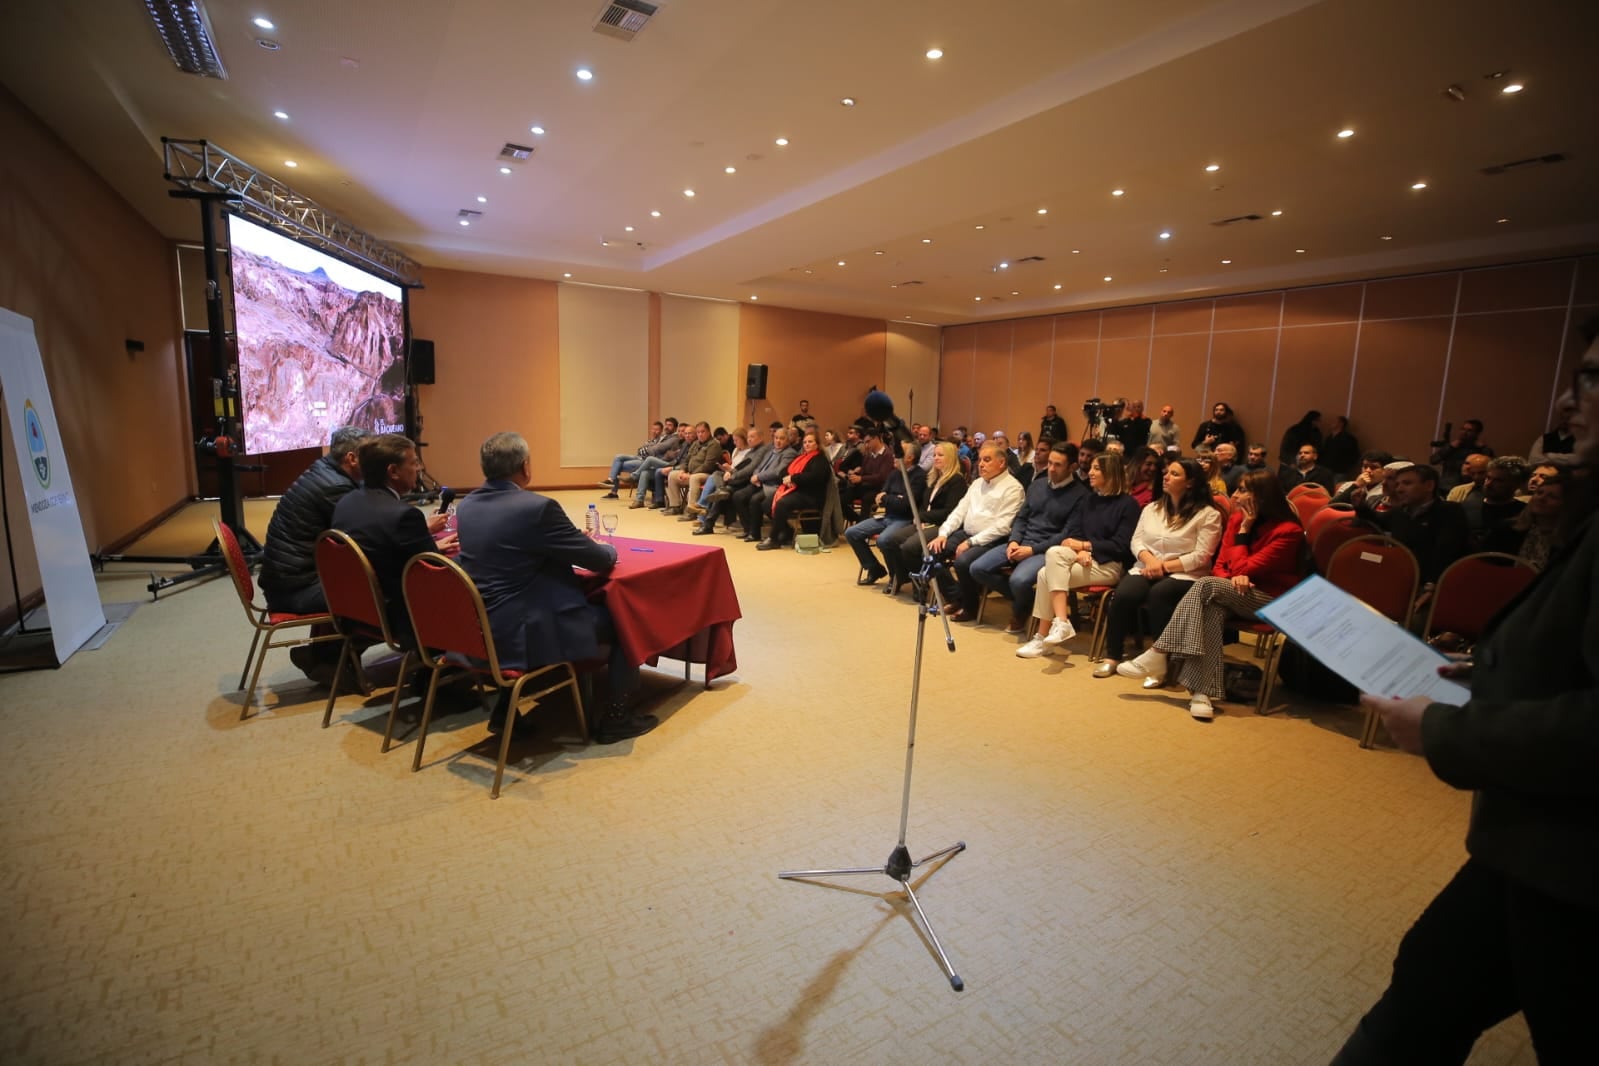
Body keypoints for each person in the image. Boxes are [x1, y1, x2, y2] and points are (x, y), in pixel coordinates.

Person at [1331, 319, 1599, 1065]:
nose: (1565, 400)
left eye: (1591, 379)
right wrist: (1482, 677)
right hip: (1532, 843)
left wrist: (1446, 729)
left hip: (1574, 865)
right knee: (1421, 997)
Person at [457, 432, 656, 743]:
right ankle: (617, 717)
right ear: (525, 466)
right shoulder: (537, 508)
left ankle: (505, 709)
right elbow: (598, 561)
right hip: (525, 629)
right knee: (624, 617)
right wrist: (607, 548)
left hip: (479, 626)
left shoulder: (467, 504)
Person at [1115, 469, 1304, 720]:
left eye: (1243, 490)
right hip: (1230, 592)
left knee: (1206, 586)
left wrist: (1245, 533)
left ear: (1262, 496)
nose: (1235, 495)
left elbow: (1242, 568)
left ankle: (1159, 652)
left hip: (1270, 599)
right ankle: (1202, 694)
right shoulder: (1236, 520)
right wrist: (1230, 579)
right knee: (1211, 606)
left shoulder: (1287, 531)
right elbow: (1220, 566)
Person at [258, 426, 372, 682]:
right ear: (352, 458)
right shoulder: (335, 488)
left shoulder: (323, 471)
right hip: (296, 590)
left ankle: (323, 656)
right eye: (371, 454)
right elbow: (367, 537)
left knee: (359, 578)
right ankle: (331, 658)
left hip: (288, 580)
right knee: (381, 591)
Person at [1093, 459, 1224, 678]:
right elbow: (1136, 542)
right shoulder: (1152, 508)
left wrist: (1163, 566)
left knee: (1159, 595)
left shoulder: (1208, 514)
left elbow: (1201, 556)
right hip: (1147, 567)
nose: (1165, 477)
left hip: (1185, 573)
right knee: (1124, 594)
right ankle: (1113, 656)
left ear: (1190, 482)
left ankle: (1159, 661)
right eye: (1166, 473)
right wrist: (1151, 561)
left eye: (1174, 474)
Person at [330, 434, 456, 640]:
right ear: (393, 471)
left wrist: (429, 545)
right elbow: (436, 577)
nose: (419, 469)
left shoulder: (347, 502)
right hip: (403, 618)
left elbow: (388, 549)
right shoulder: (404, 516)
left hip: (356, 609)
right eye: (414, 463)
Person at [1015, 452, 1140, 658]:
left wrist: (1086, 547)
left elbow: (1121, 546)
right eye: (1091, 468)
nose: (1089, 472)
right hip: (1082, 560)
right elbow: (1076, 532)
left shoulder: (1128, 505)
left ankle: (1045, 635)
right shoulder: (1090, 500)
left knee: (1046, 574)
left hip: (1110, 565)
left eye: (1096, 469)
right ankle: (1058, 625)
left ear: (1111, 473)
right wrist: (1080, 550)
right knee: (1050, 564)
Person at [971, 442, 1087, 634]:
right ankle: (1030, 600)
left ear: (1072, 467)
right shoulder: (1038, 484)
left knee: (1018, 581)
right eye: (1050, 463)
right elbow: (1021, 517)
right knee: (978, 568)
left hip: (1046, 549)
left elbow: (1066, 535)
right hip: (1022, 541)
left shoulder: (1081, 495)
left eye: (1058, 465)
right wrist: (1014, 541)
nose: (1051, 468)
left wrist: (1032, 550)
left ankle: (1021, 610)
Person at [921, 442, 1024, 620]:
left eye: (987, 460)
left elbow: (1002, 526)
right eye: (981, 460)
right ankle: (957, 596)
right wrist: (943, 534)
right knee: (931, 552)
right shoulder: (977, 483)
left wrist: (970, 543)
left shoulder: (1013, 488)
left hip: (992, 539)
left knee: (963, 562)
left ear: (1001, 463)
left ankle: (970, 607)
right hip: (967, 533)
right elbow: (959, 512)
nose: (981, 464)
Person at [882, 440, 966, 595]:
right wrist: (921, 518)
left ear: (951, 458)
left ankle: (920, 583)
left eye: (941, 455)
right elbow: (923, 504)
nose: (936, 458)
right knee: (891, 540)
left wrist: (921, 517)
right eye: (934, 455)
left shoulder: (957, 481)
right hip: (925, 521)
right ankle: (903, 577)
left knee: (909, 547)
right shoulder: (934, 478)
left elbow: (950, 511)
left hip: (941, 525)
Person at [847, 440, 926, 586]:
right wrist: (894, 498)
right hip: (887, 516)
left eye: (899, 453)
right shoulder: (894, 473)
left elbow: (906, 505)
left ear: (910, 458)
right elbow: (880, 498)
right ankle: (874, 568)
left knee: (883, 540)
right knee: (852, 532)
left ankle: (896, 576)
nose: (895, 456)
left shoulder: (919, 476)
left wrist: (888, 498)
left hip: (905, 520)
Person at [761, 430, 831, 550]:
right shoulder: (801, 457)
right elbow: (784, 471)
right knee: (766, 503)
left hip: (811, 495)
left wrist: (793, 478)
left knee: (782, 503)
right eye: (805, 442)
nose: (807, 444)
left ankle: (773, 539)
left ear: (817, 444)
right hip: (796, 491)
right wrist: (787, 478)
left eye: (810, 442)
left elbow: (814, 477)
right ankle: (787, 531)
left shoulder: (820, 459)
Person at [600, 419, 671, 495]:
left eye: (656, 430)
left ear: (661, 431)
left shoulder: (661, 440)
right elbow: (640, 450)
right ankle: (611, 479)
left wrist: (647, 448)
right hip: (638, 457)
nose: (654, 431)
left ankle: (613, 491)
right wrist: (646, 448)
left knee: (618, 466)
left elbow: (652, 451)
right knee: (618, 457)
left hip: (644, 461)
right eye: (653, 429)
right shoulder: (651, 440)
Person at [1431, 418, 1494, 492]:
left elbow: (1491, 466)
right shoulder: (1452, 447)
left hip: (1467, 488)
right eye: (1463, 429)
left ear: (1477, 433)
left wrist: (1483, 448)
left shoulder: (1481, 450)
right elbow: (1433, 460)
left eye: (1469, 430)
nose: (1464, 432)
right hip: (1446, 486)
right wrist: (1450, 447)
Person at [1322, 415, 1361, 479]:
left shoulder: (1348, 439)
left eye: (1334, 421)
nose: (1331, 423)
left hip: (1340, 470)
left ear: (1341, 424)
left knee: (1337, 487)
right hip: (1327, 468)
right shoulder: (1329, 438)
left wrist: (1346, 466)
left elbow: (1354, 455)